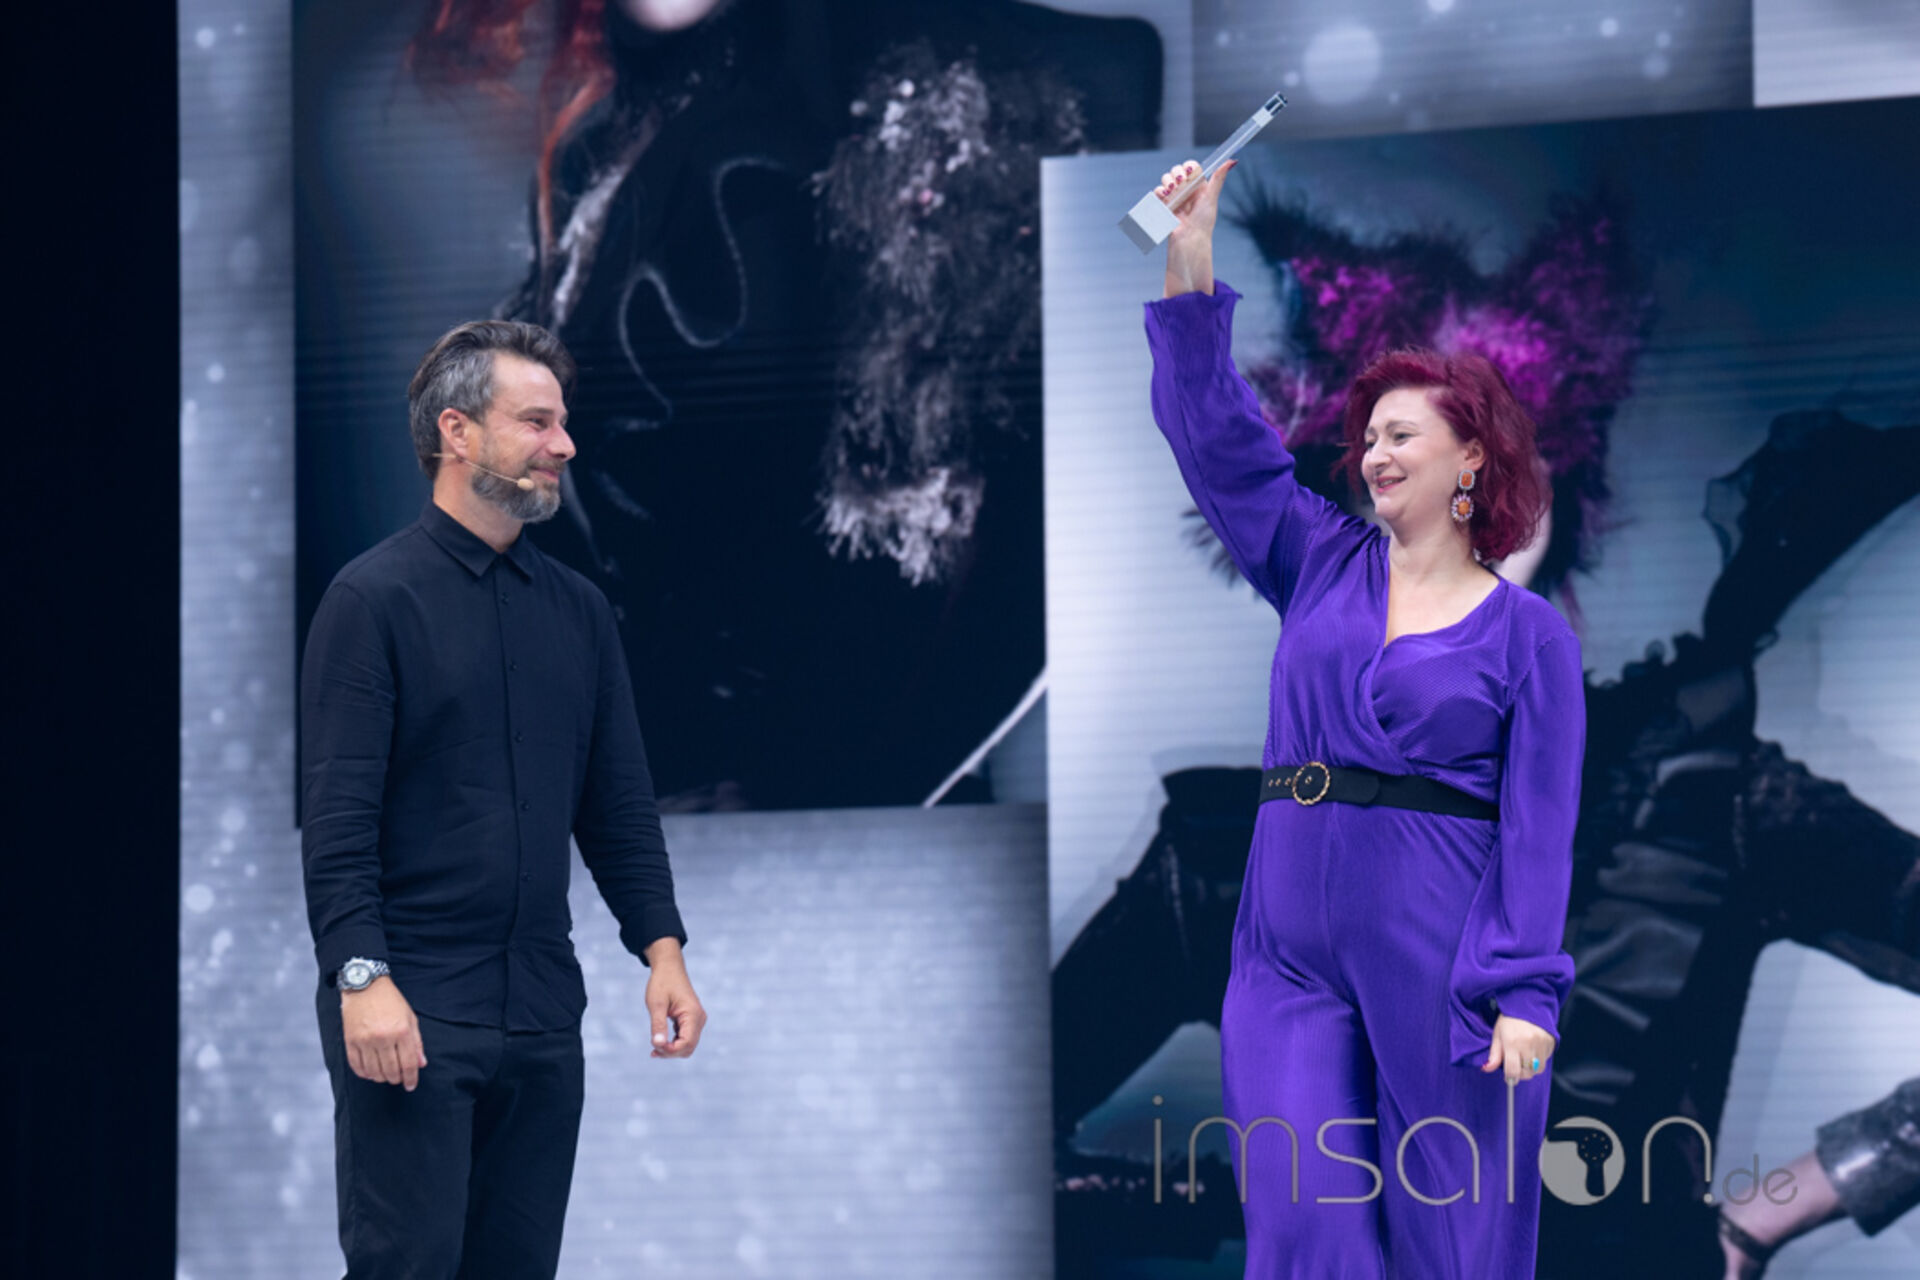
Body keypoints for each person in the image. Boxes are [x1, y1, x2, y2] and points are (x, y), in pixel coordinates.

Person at [1144, 158, 1584, 1277]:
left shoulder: (1528, 636)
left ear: (1472, 456)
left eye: (1402, 437)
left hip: (1441, 942)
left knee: (1448, 1236)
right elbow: (1218, 447)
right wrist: (1188, 256)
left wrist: (1526, 991)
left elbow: (1539, 831)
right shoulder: (1318, 560)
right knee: (1305, 1224)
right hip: (1284, 934)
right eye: (1369, 438)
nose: (1374, 455)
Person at [299, 319, 706, 1278]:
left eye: (562, 422)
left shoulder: (580, 611)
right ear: (458, 431)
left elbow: (617, 804)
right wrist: (361, 979)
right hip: (409, 1007)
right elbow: (339, 819)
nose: (564, 445)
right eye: (537, 422)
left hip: (540, 1014)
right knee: (408, 1264)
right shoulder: (372, 600)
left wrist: (663, 950)